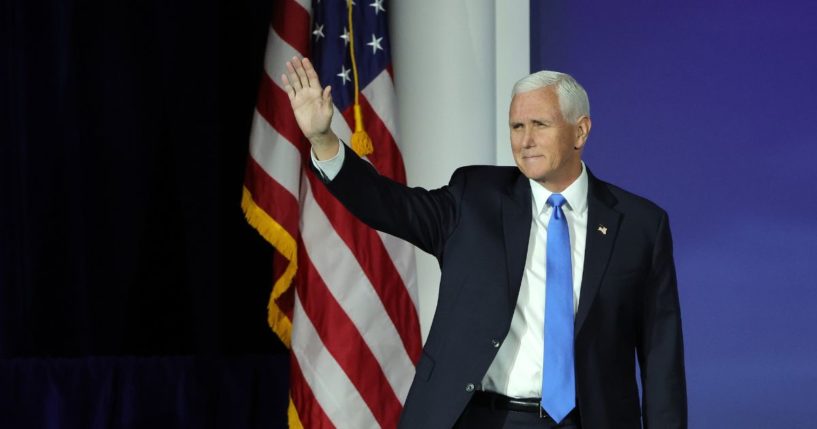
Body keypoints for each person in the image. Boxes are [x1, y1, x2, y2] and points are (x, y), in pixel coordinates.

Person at [281, 56, 687, 429]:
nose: (524, 140)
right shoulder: (474, 197)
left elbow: (661, 357)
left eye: (539, 125)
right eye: (516, 126)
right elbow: (389, 206)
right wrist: (325, 142)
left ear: (580, 131)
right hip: (480, 419)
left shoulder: (639, 225)